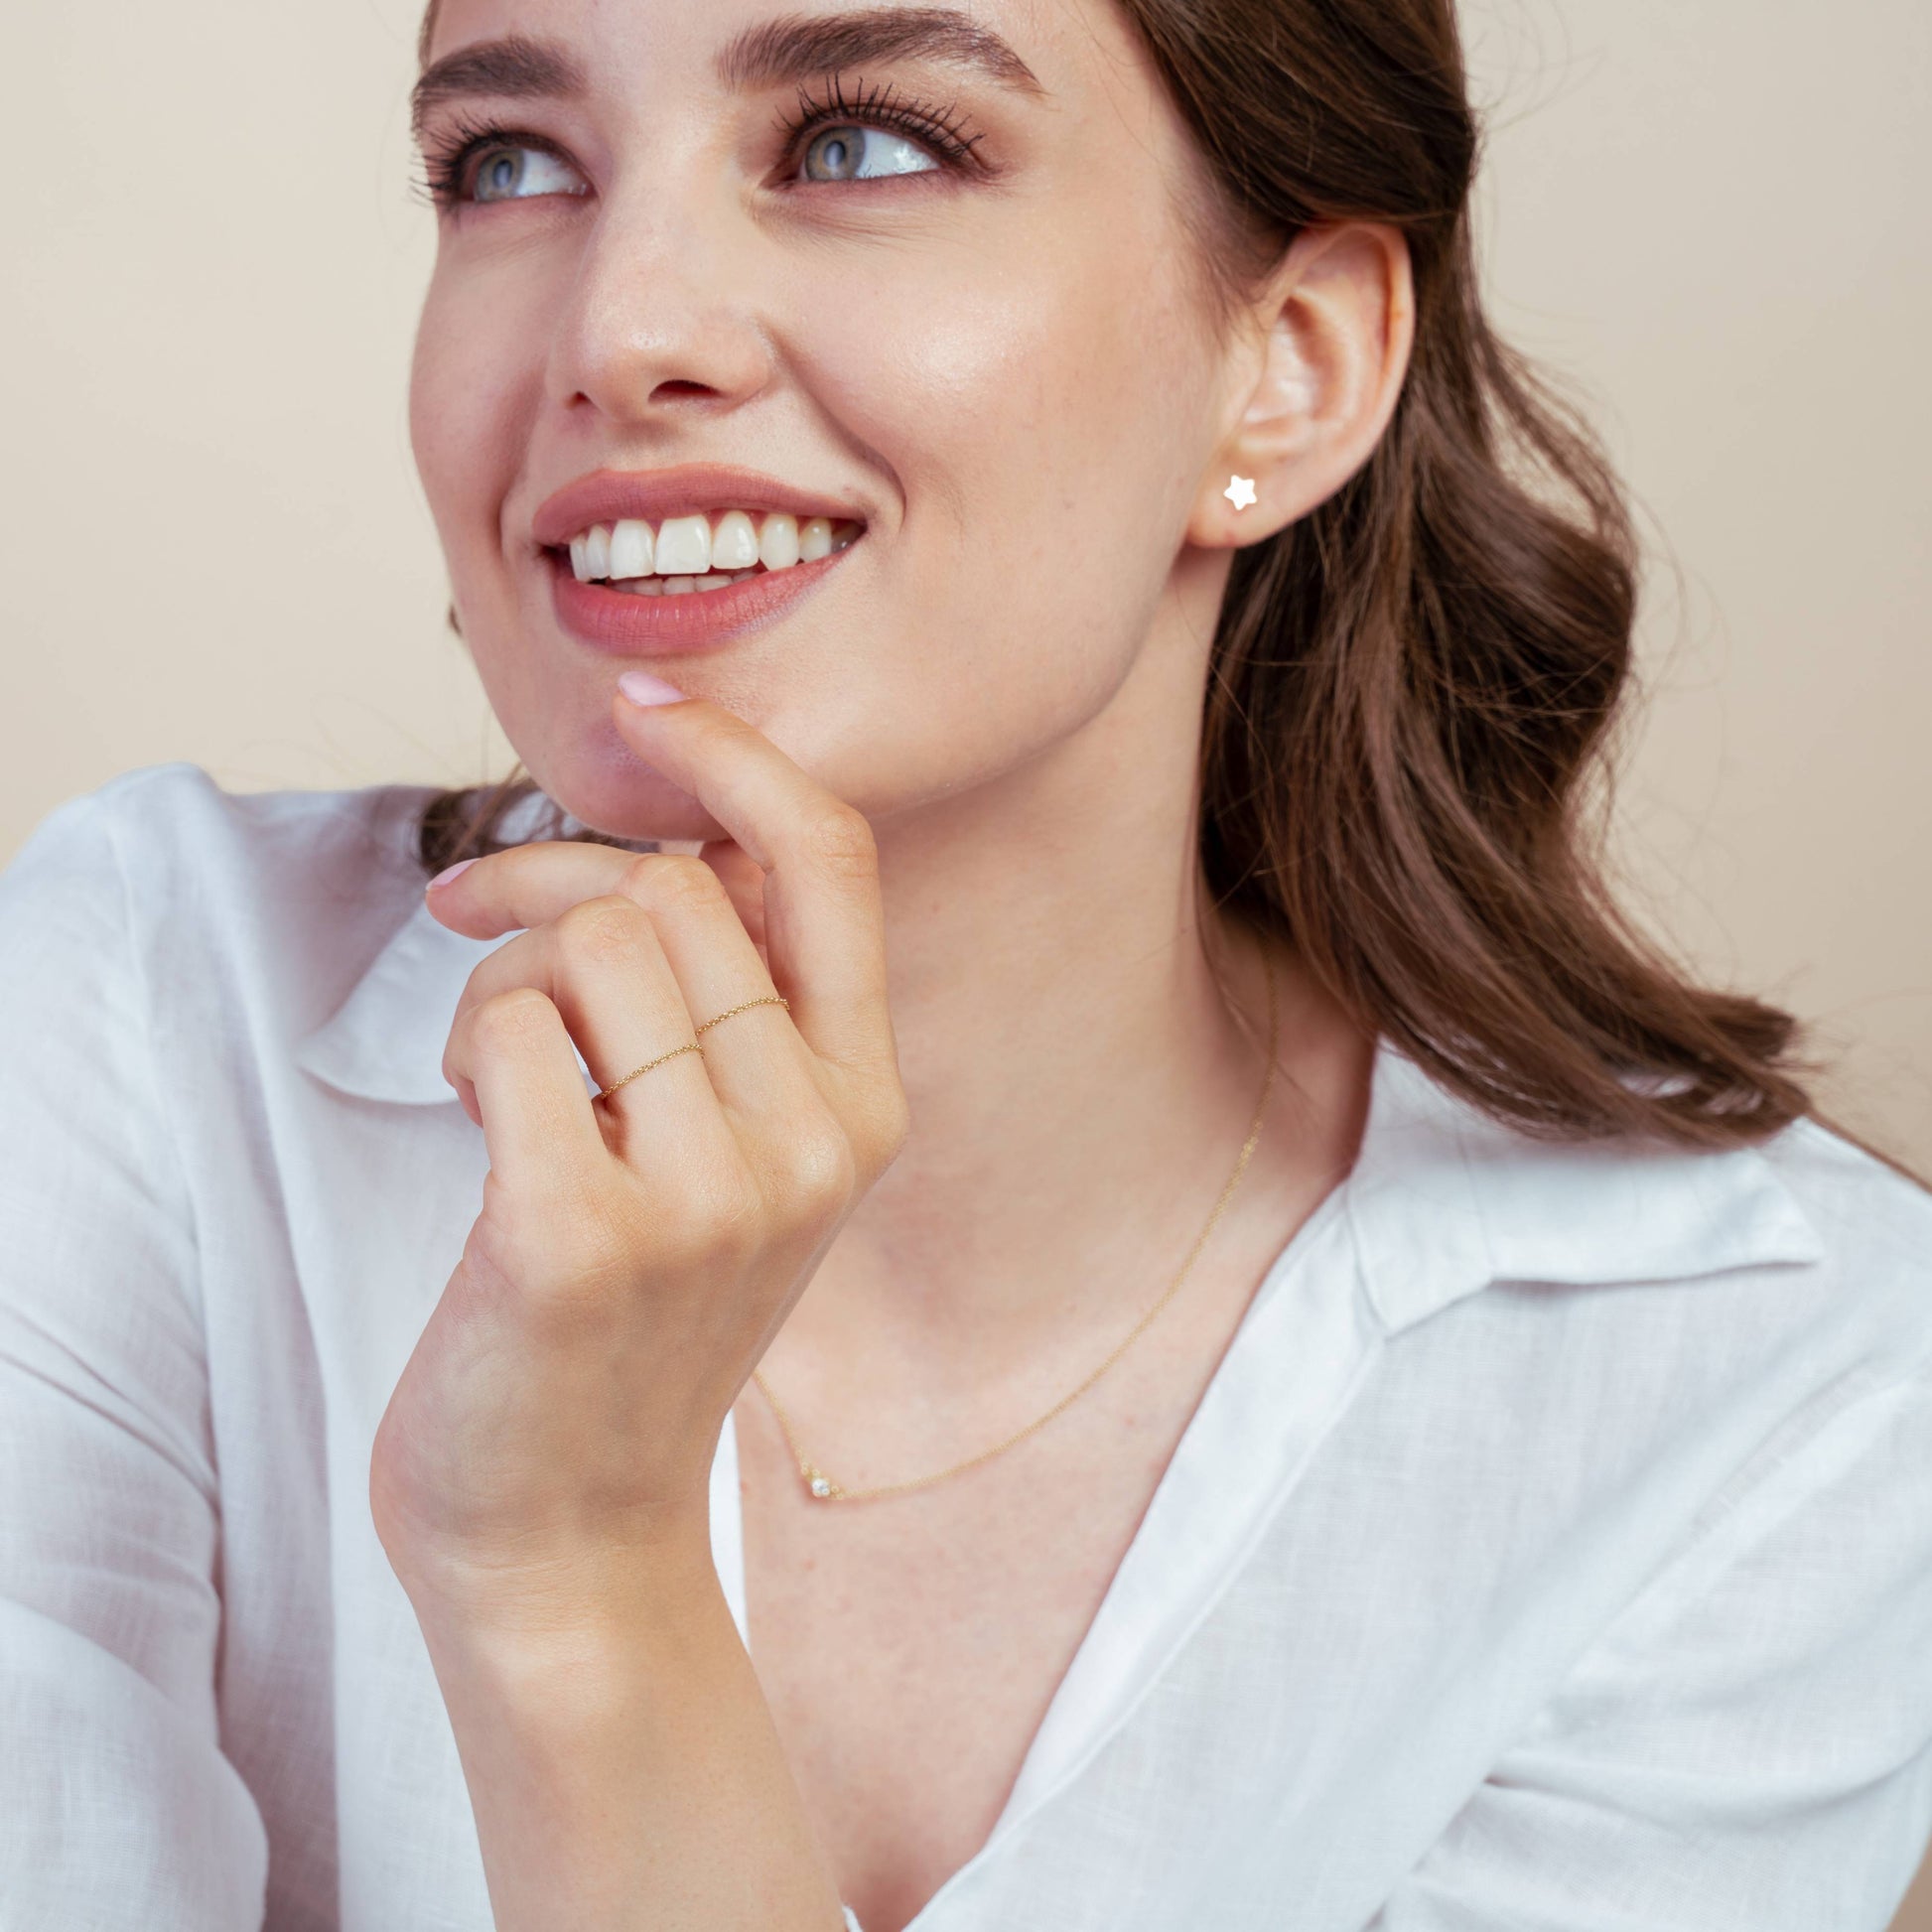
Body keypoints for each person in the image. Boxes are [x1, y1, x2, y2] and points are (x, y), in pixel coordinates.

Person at [3, 0, 1930, 1927]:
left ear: (1290, 365)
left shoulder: (1772, 1387)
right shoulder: (142, 1027)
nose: (618, 332)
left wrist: (576, 1579)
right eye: (506, 163)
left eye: (862, 142)